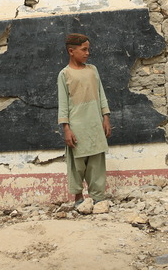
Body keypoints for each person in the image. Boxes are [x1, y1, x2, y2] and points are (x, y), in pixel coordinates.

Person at [57, 33, 112, 205]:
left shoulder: (92, 70)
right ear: (71, 51)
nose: (87, 53)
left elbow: (101, 94)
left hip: (95, 123)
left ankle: (98, 198)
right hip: (77, 126)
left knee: (97, 162)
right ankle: (78, 198)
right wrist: (66, 128)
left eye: (88, 49)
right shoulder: (64, 74)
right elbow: (63, 103)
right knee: (77, 164)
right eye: (84, 50)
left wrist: (106, 117)